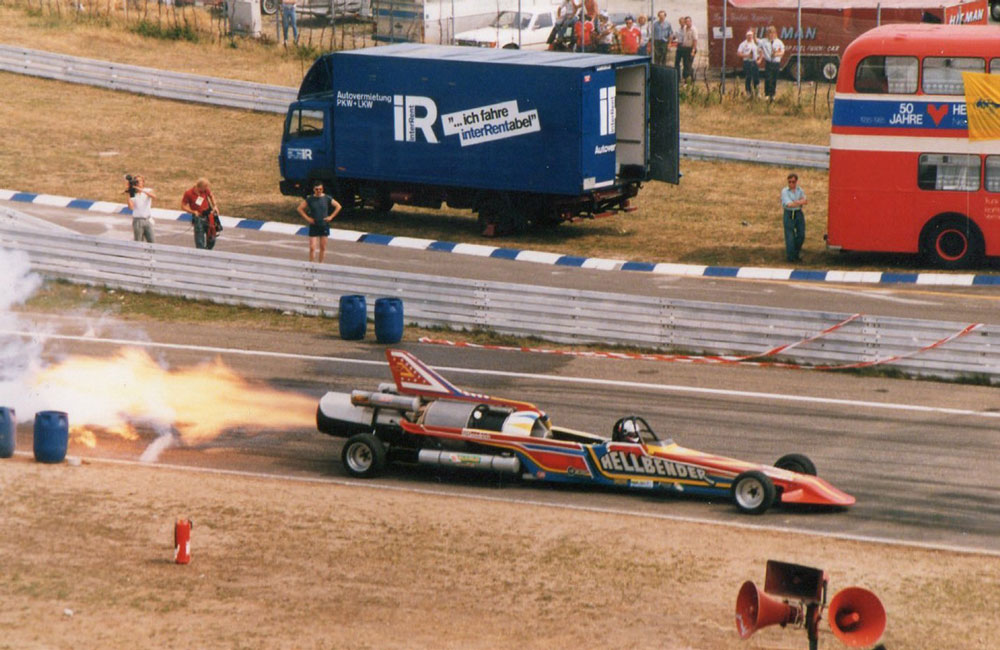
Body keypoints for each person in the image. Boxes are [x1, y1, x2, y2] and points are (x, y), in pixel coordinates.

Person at [297, 180, 341, 263]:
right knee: (312, 247)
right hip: (314, 225)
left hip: (324, 225)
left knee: (323, 247)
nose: (318, 191)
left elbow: (338, 206)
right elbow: (300, 209)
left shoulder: (327, 198)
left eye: (320, 189)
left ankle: (320, 264)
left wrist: (331, 217)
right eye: (317, 189)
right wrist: (307, 218)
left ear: (322, 189)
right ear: (314, 189)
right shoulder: (310, 199)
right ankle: (311, 264)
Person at [181, 178, 221, 250]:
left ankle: (208, 250)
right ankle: (201, 253)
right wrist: (193, 212)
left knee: (212, 238)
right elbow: (183, 206)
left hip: (209, 217)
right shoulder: (188, 193)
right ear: (200, 187)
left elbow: (211, 196)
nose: (207, 188)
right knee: (199, 241)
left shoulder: (205, 190)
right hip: (198, 218)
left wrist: (215, 206)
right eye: (205, 187)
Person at [780, 173, 807, 262]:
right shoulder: (785, 191)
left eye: (793, 182)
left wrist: (796, 202)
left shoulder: (800, 190)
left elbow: (805, 201)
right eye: (789, 182)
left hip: (798, 213)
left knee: (801, 235)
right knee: (790, 237)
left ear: (796, 182)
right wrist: (799, 202)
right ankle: (791, 257)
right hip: (789, 213)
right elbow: (789, 204)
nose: (791, 184)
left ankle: (796, 253)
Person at [125, 174, 156, 244]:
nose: (138, 183)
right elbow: (131, 207)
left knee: (152, 241)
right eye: (136, 181)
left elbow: (154, 196)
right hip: (137, 220)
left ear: (143, 182)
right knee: (138, 242)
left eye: (139, 181)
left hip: (147, 220)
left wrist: (141, 190)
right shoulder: (133, 193)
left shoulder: (148, 190)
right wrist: (128, 193)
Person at [759, 26, 785, 100]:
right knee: (768, 78)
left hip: (776, 63)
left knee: (774, 78)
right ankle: (767, 94)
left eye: (773, 33)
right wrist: (760, 52)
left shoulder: (779, 42)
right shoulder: (763, 41)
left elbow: (782, 52)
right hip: (769, 62)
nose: (771, 34)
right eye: (769, 33)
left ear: (775, 33)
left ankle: (772, 95)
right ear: (767, 34)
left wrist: (776, 54)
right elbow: (758, 46)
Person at [737, 30, 761, 96]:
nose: (750, 37)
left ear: (752, 36)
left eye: (751, 35)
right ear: (746, 36)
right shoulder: (743, 44)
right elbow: (738, 53)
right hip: (747, 62)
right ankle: (748, 93)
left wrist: (760, 60)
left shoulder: (756, 43)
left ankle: (757, 92)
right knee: (748, 77)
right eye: (748, 36)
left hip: (754, 62)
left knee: (756, 78)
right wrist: (747, 55)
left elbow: (761, 52)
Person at [674, 16, 697, 83]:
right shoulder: (684, 28)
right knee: (686, 64)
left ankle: (690, 80)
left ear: (691, 21)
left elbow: (695, 40)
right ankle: (686, 79)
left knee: (688, 64)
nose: (687, 23)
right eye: (686, 21)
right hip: (685, 49)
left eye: (688, 21)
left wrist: (693, 50)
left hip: (691, 49)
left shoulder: (693, 29)